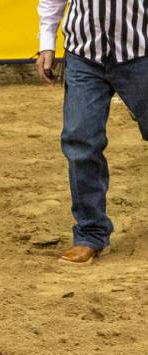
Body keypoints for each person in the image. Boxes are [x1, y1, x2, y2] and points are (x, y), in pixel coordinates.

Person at [36, 1, 148, 265]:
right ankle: (90, 234)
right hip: (84, 56)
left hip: (141, 52)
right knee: (80, 140)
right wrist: (47, 42)